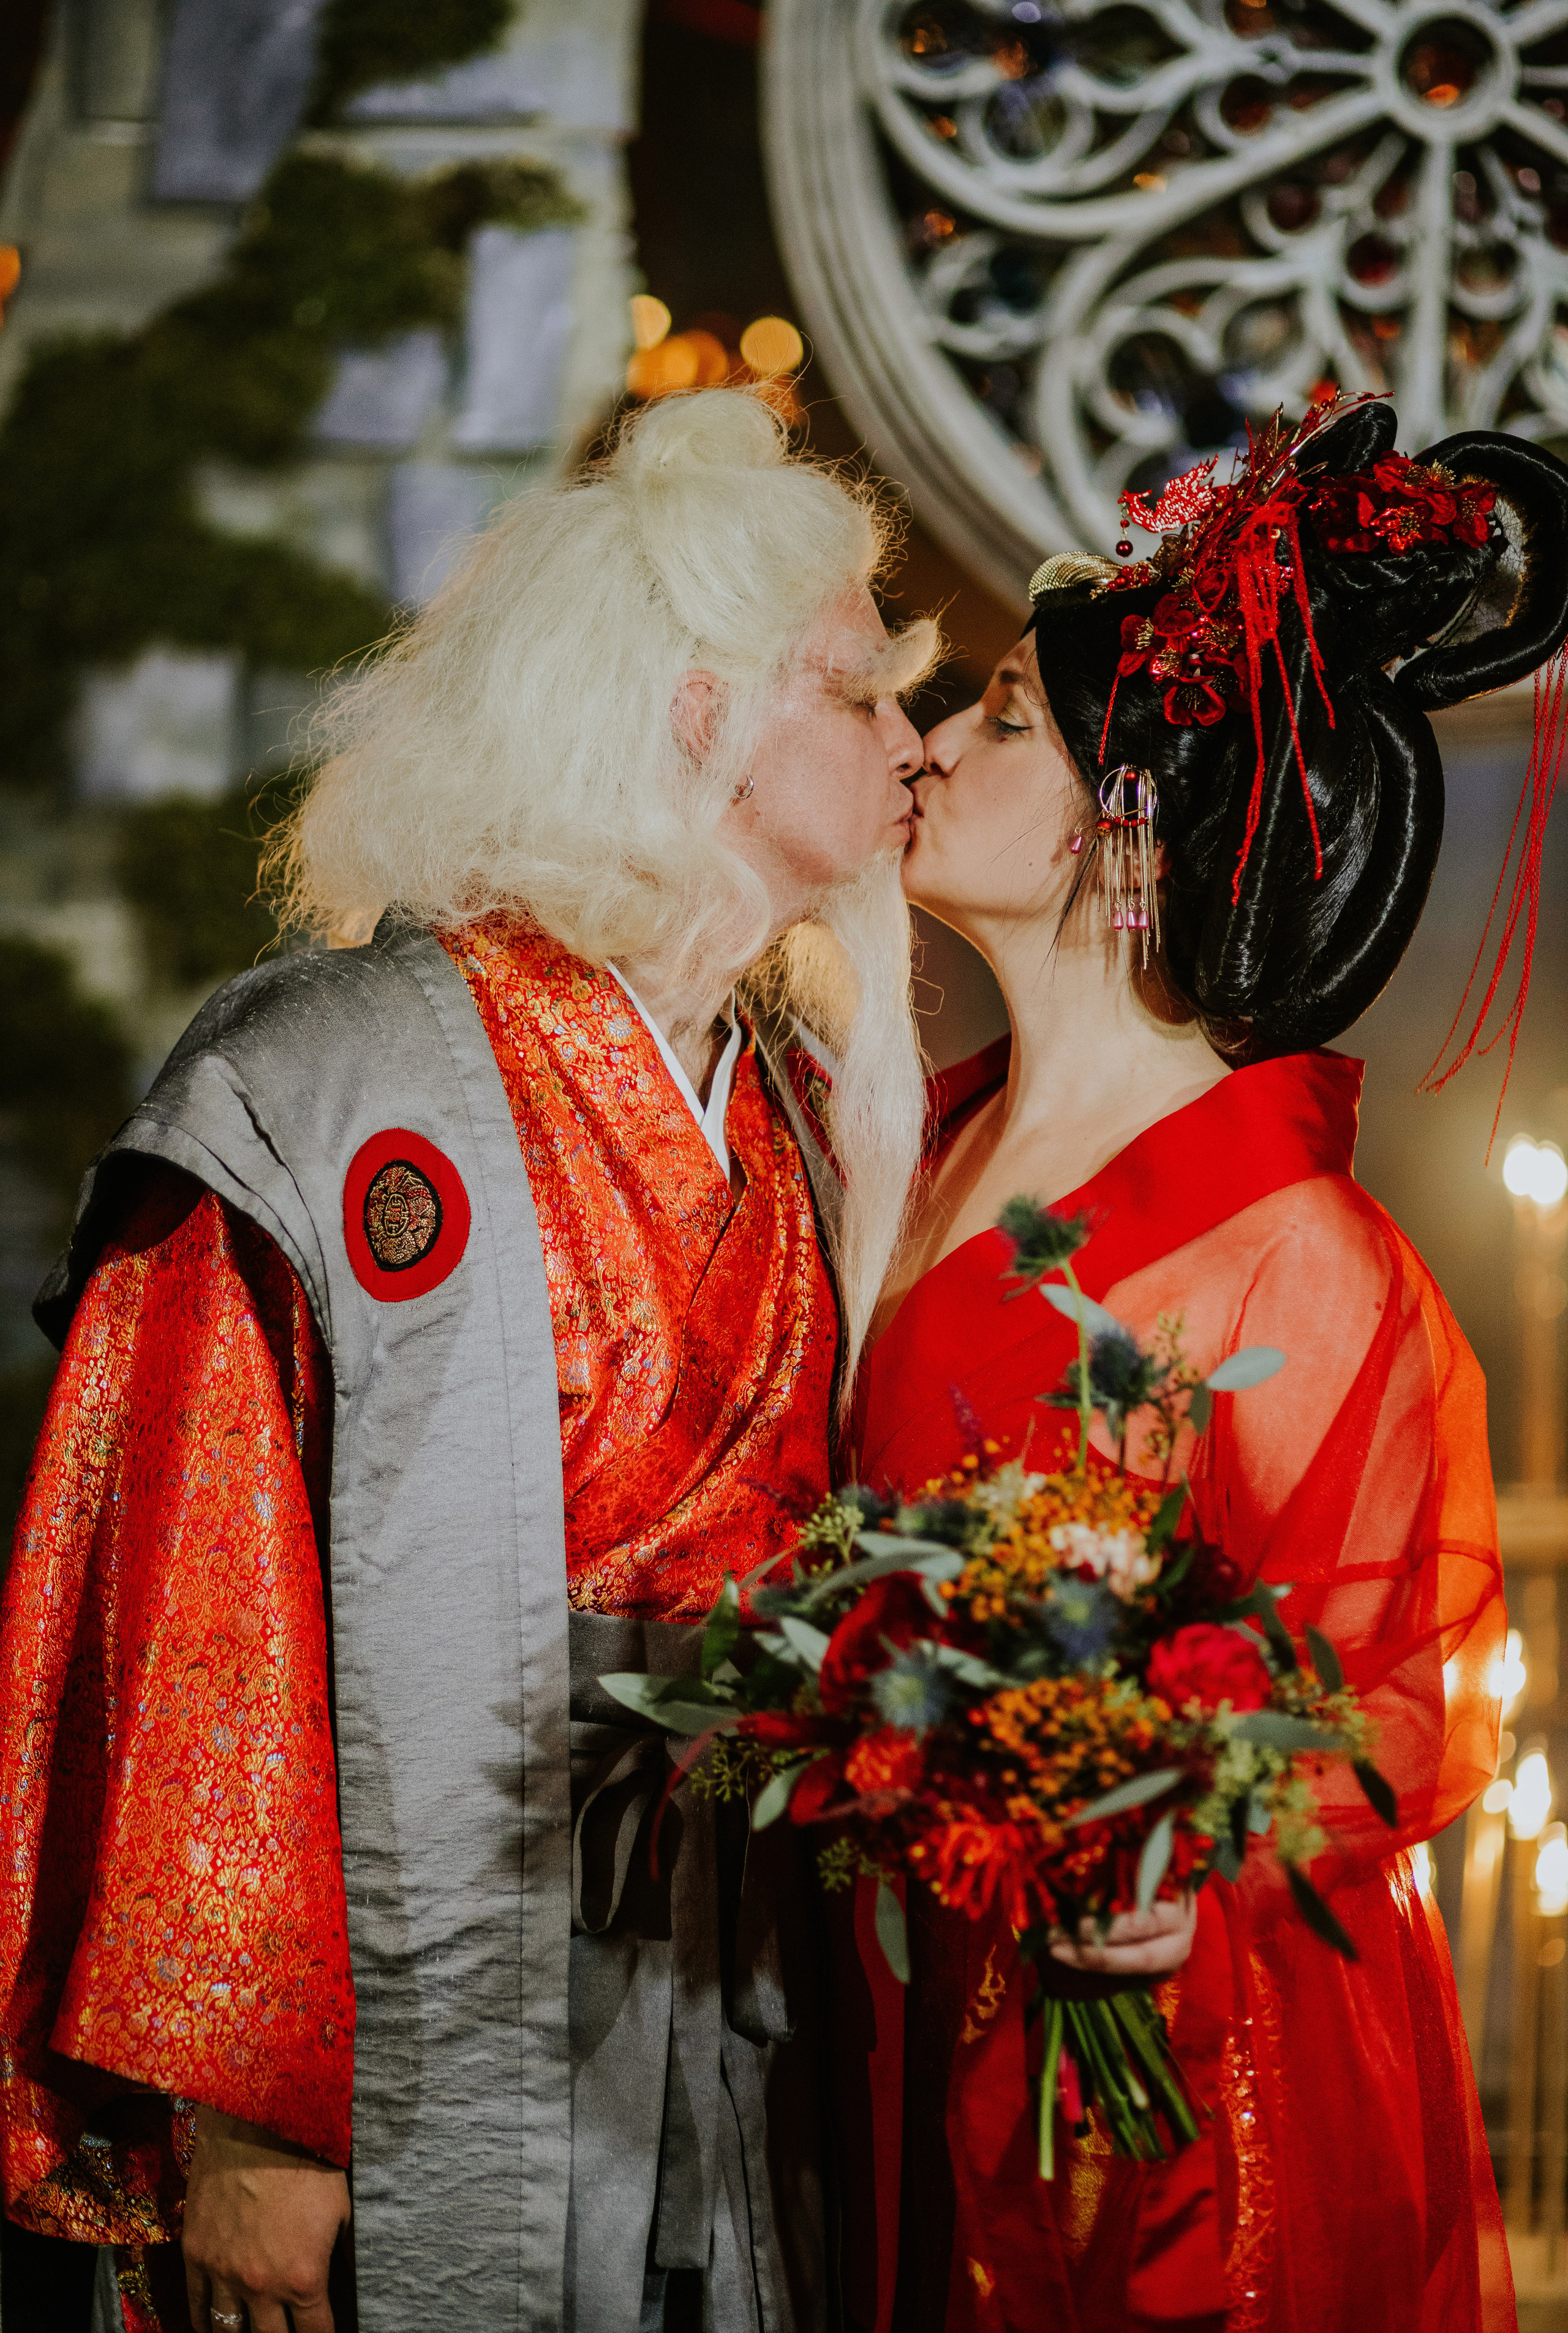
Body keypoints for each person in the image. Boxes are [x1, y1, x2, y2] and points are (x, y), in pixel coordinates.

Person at [0, 389, 939, 2333]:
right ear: (698, 711)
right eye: (857, 692)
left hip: (729, 2021)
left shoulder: (784, 1112)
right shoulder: (328, 1085)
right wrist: (251, 2125)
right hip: (412, 2039)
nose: (911, 742)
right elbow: (195, 1620)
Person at [836, 398, 1565, 2332]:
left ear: (1123, 818)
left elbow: (1396, 1708)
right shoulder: (920, 1150)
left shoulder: (1291, 1257)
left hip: (1174, 2062)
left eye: (995, 720)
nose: (924, 748)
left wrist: (1172, 1835)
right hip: (911, 1990)